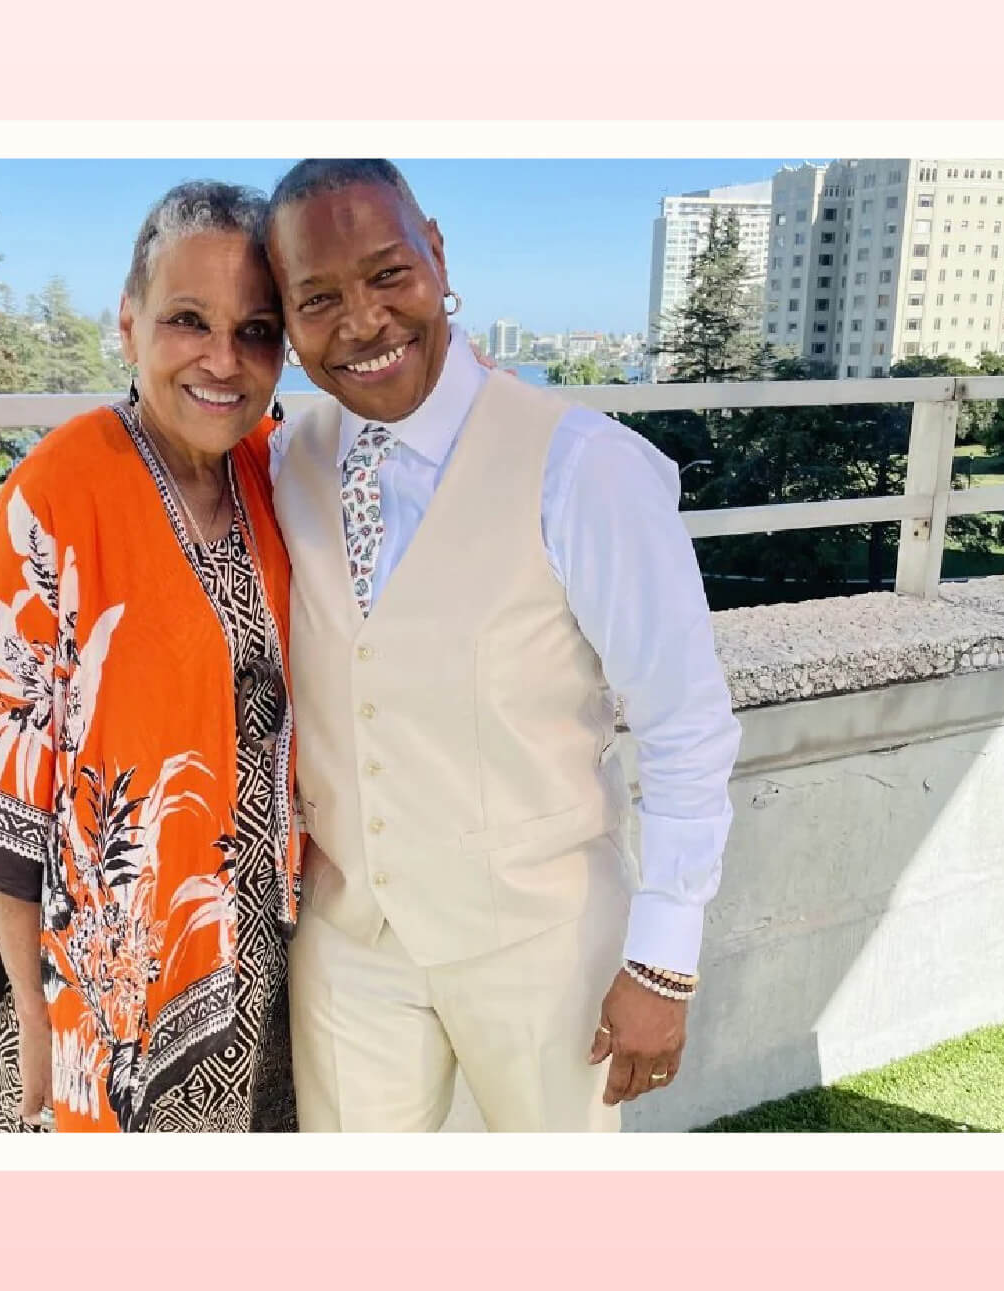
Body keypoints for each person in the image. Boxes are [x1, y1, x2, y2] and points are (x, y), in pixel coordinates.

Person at [263, 159, 742, 1132]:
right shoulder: (282, 459)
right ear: (285, 318)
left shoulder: (584, 466)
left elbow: (684, 723)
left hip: (541, 943)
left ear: (435, 254)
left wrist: (662, 956)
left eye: (388, 274)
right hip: (349, 943)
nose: (361, 322)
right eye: (317, 297)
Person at [0, 181, 301, 1133]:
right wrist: (34, 1008)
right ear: (128, 323)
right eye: (187, 320)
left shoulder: (271, 468)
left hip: (253, 960)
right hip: (95, 989)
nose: (221, 358)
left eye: (255, 330)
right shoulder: (61, 486)